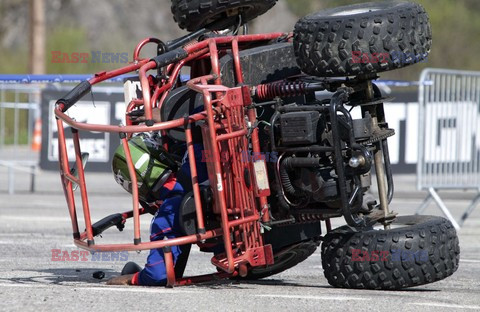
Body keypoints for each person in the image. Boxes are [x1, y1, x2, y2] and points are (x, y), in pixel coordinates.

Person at [107, 113, 208, 286]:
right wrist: (166, 116)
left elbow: (158, 275)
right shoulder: (199, 150)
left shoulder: (170, 211)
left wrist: (133, 278)